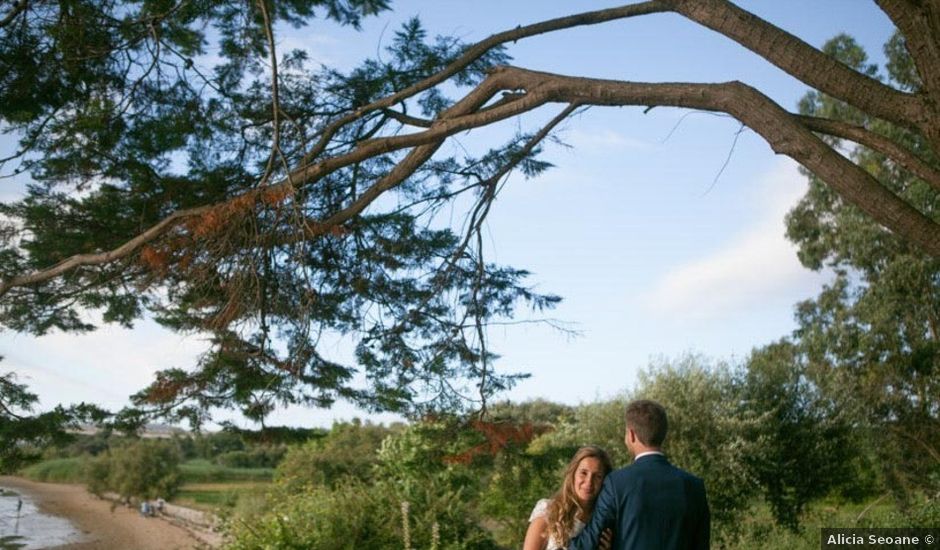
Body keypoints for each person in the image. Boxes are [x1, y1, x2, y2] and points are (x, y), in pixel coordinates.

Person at [568, 400, 710, 550]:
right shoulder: (694, 487)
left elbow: (588, 543)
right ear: (663, 434)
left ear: (631, 435)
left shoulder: (616, 484)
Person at [524, 445, 615, 550]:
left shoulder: (603, 522)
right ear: (573, 474)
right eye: (583, 473)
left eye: (597, 476)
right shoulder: (548, 511)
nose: (589, 482)